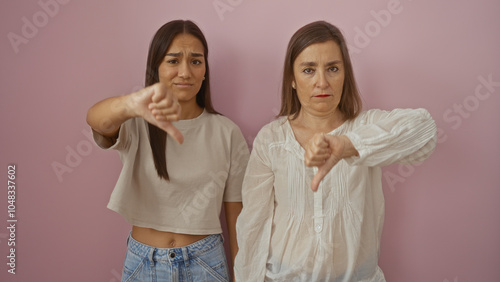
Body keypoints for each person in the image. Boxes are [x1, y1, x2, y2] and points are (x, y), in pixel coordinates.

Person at [234, 21, 437, 281]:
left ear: (345, 75)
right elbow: (253, 226)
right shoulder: (271, 139)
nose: (322, 82)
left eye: (332, 68)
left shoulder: (366, 126)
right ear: (292, 80)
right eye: (309, 70)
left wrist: (348, 146)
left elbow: (425, 131)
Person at [86, 20, 249, 282]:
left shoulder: (227, 132)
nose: (185, 72)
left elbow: (236, 215)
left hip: (206, 263)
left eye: (196, 61)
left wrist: (243, 276)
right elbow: (96, 119)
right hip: (143, 263)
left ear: (205, 70)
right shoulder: (136, 123)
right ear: (157, 68)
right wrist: (130, 105)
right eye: (173, 61)